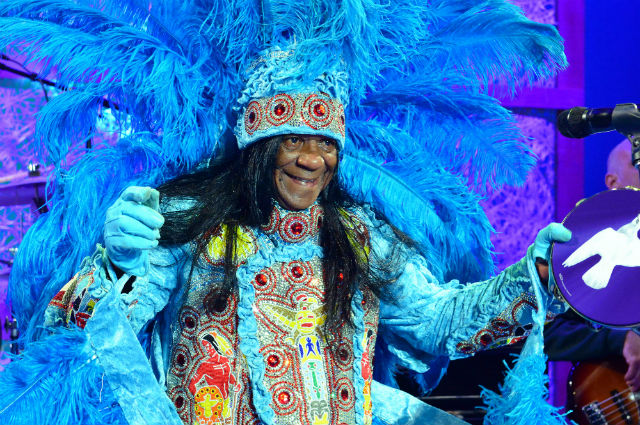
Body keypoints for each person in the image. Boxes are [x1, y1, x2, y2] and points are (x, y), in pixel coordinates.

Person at [0, 1, 573, 425]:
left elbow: (438, 320)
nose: (311, 158)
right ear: (257, 145)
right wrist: (117, 262)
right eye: (291, 140)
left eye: (325, 142)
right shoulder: (188, 222)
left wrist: (532, 278)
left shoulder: (360, 236)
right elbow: (81, 340)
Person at [544, 139, 640, 391]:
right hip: (615, 400)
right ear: (613, 183)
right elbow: (545, 331)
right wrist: (620, 340)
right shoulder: (579, 244)